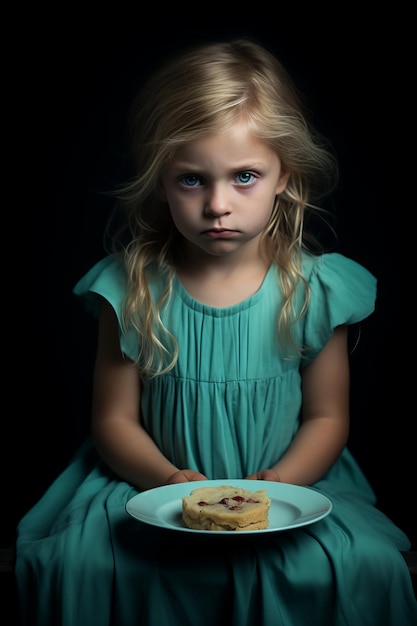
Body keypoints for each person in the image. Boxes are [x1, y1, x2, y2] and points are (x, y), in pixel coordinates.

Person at [16, 36, 417, 626]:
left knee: (364, 564)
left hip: (288, 485)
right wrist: (169, 482)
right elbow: (113, 421)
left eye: (245, 176)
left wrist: (279, 484)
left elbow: (328, 417)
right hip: (146, 482)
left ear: (285, 175)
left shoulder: (313, 291)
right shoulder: (131, 290)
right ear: (159, 180)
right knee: (85, 565)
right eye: (191, 180)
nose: (218, 205)